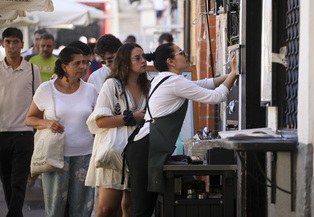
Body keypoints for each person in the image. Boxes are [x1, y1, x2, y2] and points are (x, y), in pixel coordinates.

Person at [125, 43, 237, 217]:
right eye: (181, 52)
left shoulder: (163, 78)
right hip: (146, 147)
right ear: (171, 61)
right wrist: (235, 73)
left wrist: (229, 75)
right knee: (143, 210)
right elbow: (216, 96)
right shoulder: (175, 81)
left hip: (141, 145)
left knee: (144, 209)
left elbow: (203, 84)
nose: (186, 54)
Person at [25, 46, 98, 217]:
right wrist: (46, 123)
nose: (83, 66)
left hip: (85, 156)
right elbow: (30, 119)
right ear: (64, 66)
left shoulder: (91, 90)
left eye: (85, 62)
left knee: (82, 208)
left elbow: (97, 121)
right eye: (77, 63)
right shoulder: (46, 89)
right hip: (55, 157)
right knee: (56, 208)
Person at [85, 43, 149, 217]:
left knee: (130, 207)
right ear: (125, 62)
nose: (144, 61)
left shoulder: (147, 86)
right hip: (113, 154)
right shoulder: (112, 85)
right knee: (107, 208)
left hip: (137, 153)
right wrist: (131, 118)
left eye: (143, 56)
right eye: (138, 58)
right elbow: (100, 121)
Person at [0, 27, 41, 217]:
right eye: (8, 41)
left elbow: (39, 102)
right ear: (2, 44)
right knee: (6, 179)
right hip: (1, 131)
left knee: (18, 179)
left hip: (24, 131)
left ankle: (14, 213)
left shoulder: (32, 70)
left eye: (15, 42)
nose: (11, 46)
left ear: (22, 44)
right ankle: (15, 213)